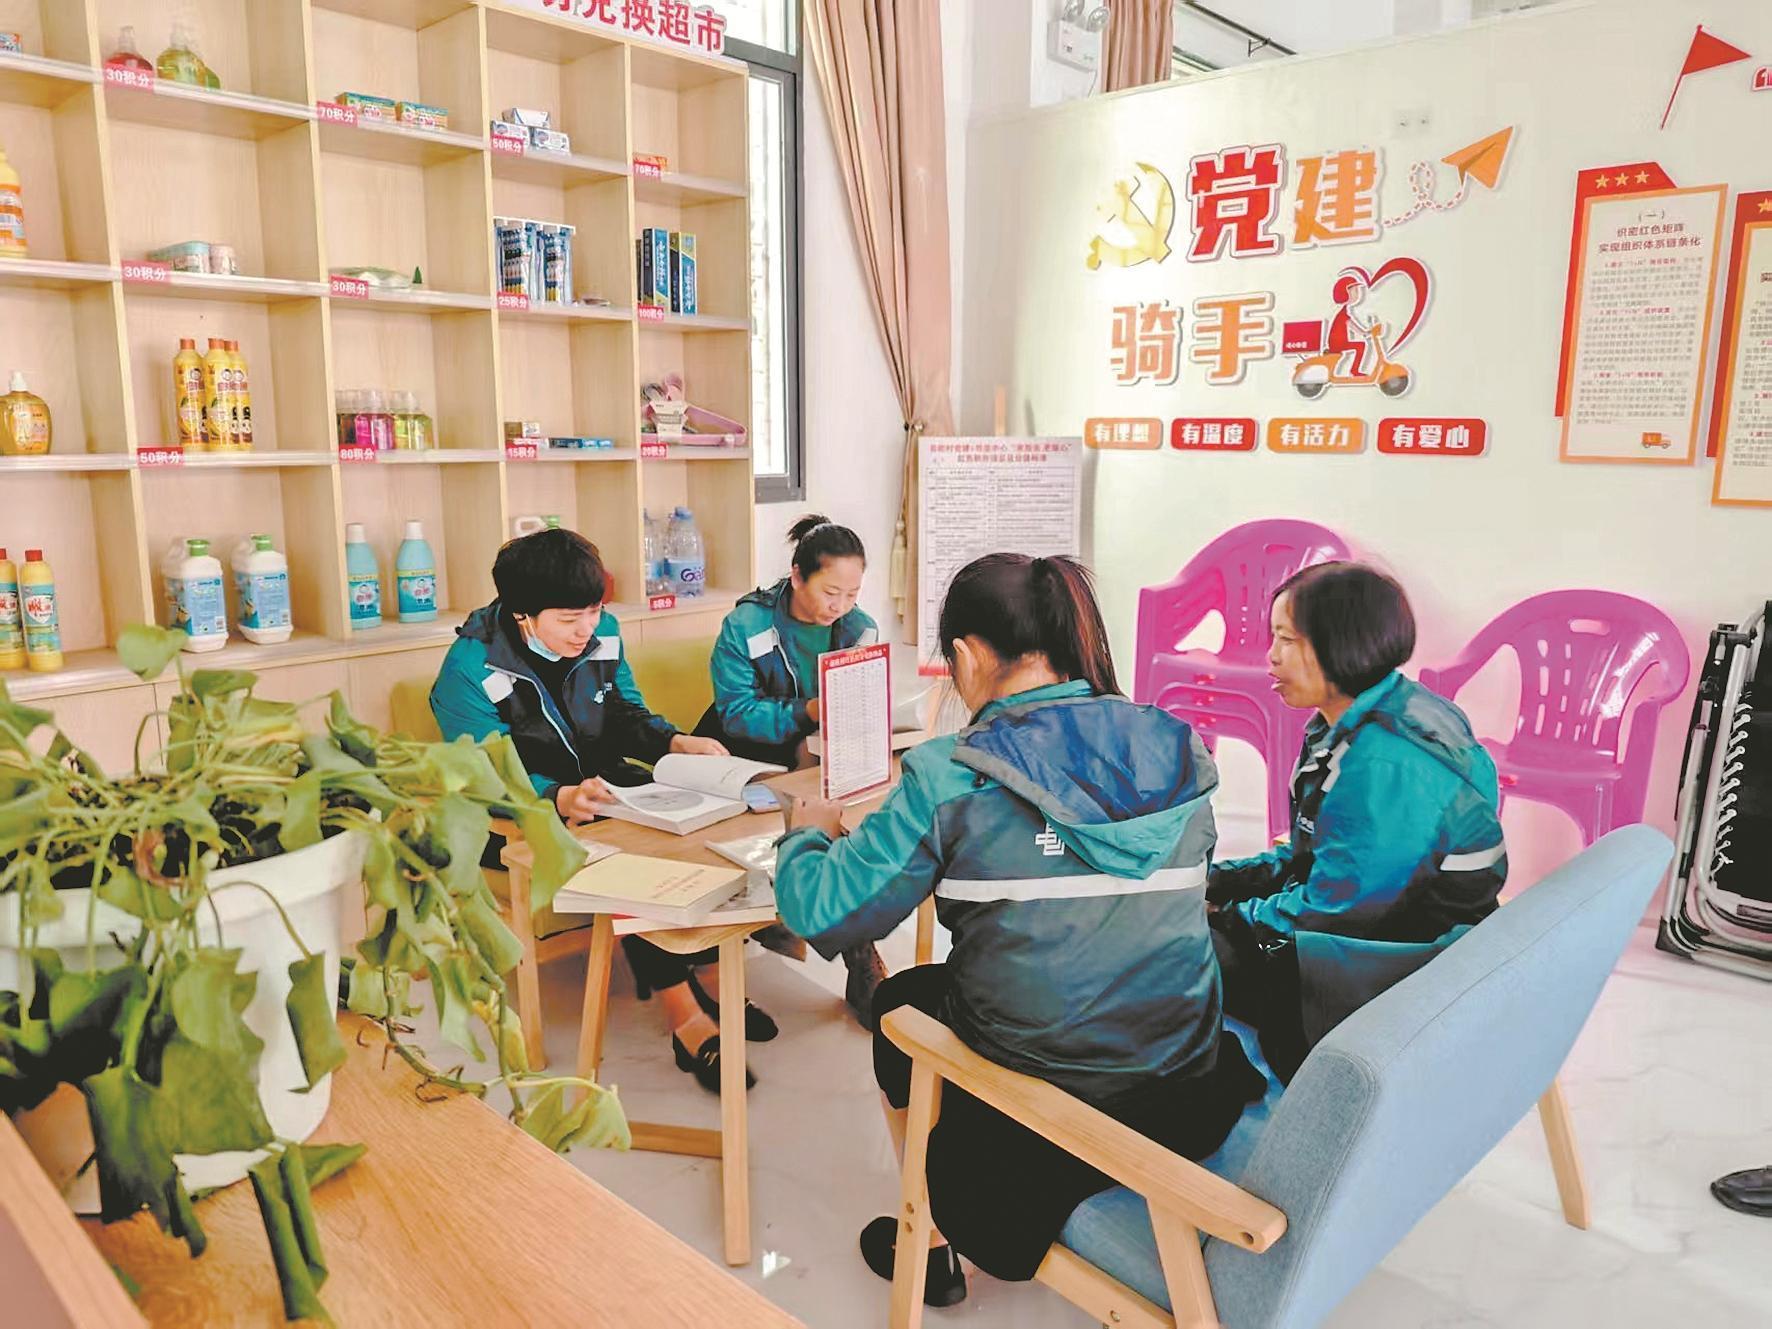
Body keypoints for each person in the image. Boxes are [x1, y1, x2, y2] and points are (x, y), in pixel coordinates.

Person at [775, 553, 1261, 1306]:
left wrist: (805, 833)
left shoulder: (951, 775)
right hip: (1183, 1078)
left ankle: (932, 1243)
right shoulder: (1174, 744)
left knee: (901, 1004)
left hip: (1045, 1104)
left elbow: (823, 911)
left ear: (966, 657)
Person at [430, 528, 774, 1094]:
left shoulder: (602, 632)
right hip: (516, 817)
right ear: (522, 614)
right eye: (570, 618)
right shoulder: (468, 669)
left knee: (702, 834)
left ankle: (715, 976)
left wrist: (673, 742)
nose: (587, 629)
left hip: (606, 789)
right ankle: (685, 1016)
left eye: (594, 612)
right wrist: (555, 796)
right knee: (627, 866)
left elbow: (622, 712)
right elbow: (482, 775)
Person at [1208, 561, 1508, 1080]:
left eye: (1287, 640)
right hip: (1385, 924)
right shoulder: (1385, 709)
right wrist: (1220, 882)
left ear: (1342, 645)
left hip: (1404, 966)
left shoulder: (1382, 762)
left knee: (1177, 949)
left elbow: (1333, 910)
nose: (1271, 655)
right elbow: (1317, 855)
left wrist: (1228, 917)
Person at [697, 514, 888, 1026]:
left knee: (853, 825)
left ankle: (856, 953)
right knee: (818, 811)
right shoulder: (747, 625)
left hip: (814, 754)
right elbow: (736, 712)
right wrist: (808, 712)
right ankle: (825, 935)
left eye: (852, 593)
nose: (840, 606)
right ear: (797, 575)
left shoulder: (859, 627)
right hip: (740, 752)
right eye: (831, 592)